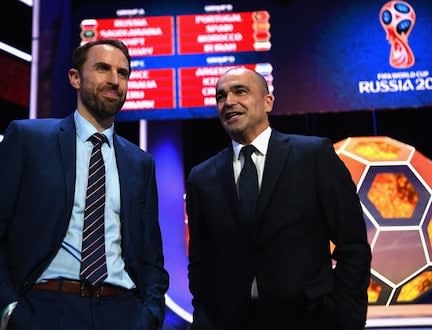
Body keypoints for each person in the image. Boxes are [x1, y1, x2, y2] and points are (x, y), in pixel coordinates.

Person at [0, 39, 169, 330]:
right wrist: (8, 310)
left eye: (123, 73)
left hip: (123, 312)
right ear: (75, 78)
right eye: (103, 68)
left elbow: (151, 256)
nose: (114, 81)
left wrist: (149, 315)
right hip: (43, 309)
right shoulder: (29, 139)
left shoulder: (140, 163)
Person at [186, 67, 371, 330]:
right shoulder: (202, 177)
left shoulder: (313, 155)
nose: (228, 102)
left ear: (268, 101)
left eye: (240, 91)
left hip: (309, 321)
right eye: (220, 96)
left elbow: (353, 245)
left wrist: (345, 319)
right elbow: (201, 262)